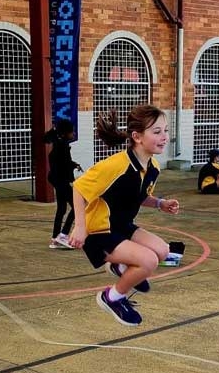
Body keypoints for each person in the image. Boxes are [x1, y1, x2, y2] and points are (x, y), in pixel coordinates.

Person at [69, 105, 179, 326]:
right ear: (137, 136)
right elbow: (79, 188)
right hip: (99, 232)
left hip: (122, 225)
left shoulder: (153, 167)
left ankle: (120, 267)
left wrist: (160, 203)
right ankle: (111, 297)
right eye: (156, 132)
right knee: (148, 262)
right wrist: (80, 227)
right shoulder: (115, 165)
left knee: (163, 250)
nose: (164, 137)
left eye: (166, 130)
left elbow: (139, 196)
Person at [44, 118, 81, 249]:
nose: (74, 134)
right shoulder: (62, 145)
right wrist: (73, 180)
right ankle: (63, 235)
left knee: (62, 208)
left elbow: (63, 162)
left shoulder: (58, 143)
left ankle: (55, 237)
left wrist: (74, 164)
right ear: (66, 133)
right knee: (77, 208)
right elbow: (64, 164)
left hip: (56, 178)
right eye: (72, 132)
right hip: (60, 179)